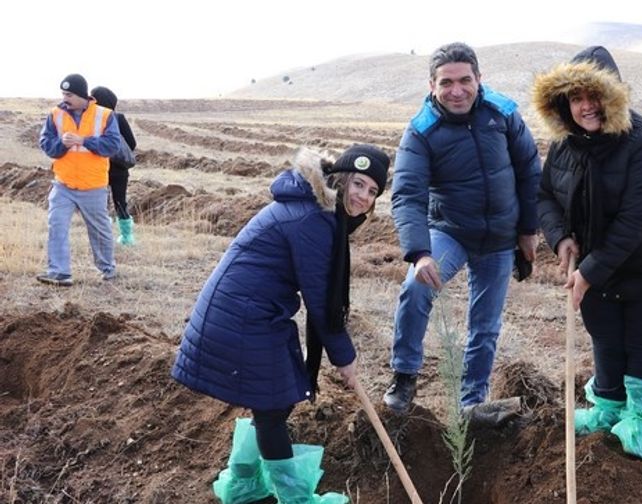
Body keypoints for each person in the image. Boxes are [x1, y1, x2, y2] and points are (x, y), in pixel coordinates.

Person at [171, 144, 389, 503]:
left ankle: (244, 484)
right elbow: (322, 302)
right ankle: (294, 499)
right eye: (359, 184)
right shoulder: (312, 220)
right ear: (341, 179)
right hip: (243, 316)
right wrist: (345, 360)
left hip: (249, 312)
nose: (363, 196)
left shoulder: (315, 210)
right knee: (272, 407)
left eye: (372, 191)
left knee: (277, 401)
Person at [531, 46, 642, 459]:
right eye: (576, 98)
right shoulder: (564, 145)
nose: (586, 106)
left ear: (613, 97)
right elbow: (544, 196)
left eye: (594, 96)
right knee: (605, 334)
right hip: (600, 260)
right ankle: (608, 409)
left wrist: (589, 271)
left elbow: (636, 220)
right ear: (564, 103)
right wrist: (560, 238)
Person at [383, 42, 542, 414]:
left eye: (465, 80)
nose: (457, 90)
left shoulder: (501, 113)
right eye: (446, 82)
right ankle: (405, 376)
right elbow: (407, 196)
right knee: (414, 289)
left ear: (479, 79)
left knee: (485, 328)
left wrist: (528, 229)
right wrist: (420, 253)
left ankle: (472, 405)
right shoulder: (422, 131)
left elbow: (529, 170)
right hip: (449, 231)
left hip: (500, 237)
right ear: (432, 86)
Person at [37, 74, 122, 287]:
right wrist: (61, 144)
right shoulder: (55, 115)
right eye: (63, 94)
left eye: (69, 94)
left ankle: (107, 269)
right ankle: (59, 272)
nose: (64, 98)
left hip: (93, 185)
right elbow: (46, 144)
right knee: (56, 225)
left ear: (82, 95)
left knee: (99, 229)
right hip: (63, 183)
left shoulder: (104, 115)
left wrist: (84, 141)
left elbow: (112, 146)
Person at [91, 86, 138, 246]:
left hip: (98, 168)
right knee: (120, 202)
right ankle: (127, 238)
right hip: (119, 169)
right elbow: (131, 143)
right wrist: (118, 154)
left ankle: (102, 238)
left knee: (100, 204)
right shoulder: (119, 118)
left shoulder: (91, 120)